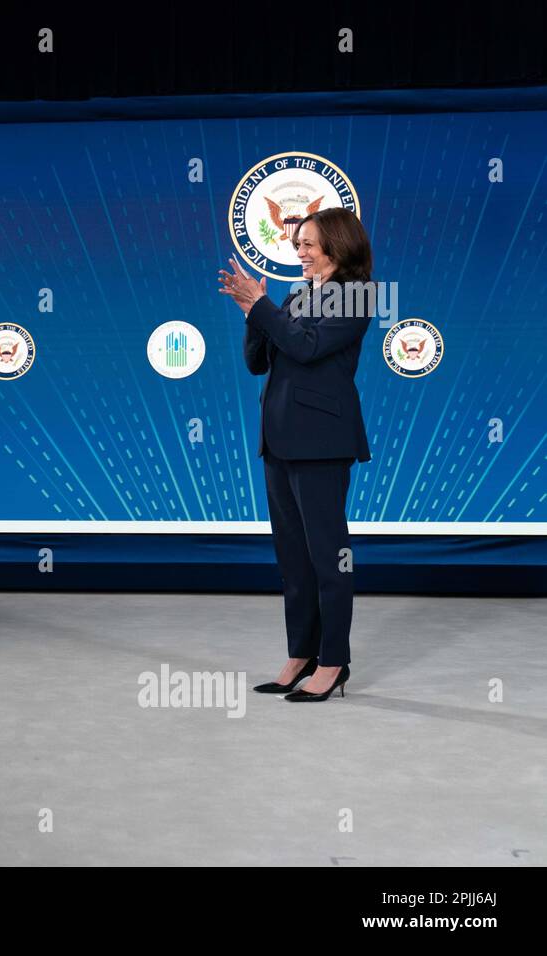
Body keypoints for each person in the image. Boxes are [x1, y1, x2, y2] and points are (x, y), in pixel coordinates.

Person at [218, 207, 373, 702]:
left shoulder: (355, 296)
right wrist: (253, 313)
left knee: (330, 558)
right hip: (279, 440)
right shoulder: (296, 295)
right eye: (297, 243)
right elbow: (256, 362)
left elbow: (305, 348)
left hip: (322, 443)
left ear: (337, 245)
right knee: (294, 558)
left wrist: (263, 307)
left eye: (307, 243)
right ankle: (301, 652)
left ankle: (334, 661)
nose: (298, 251)